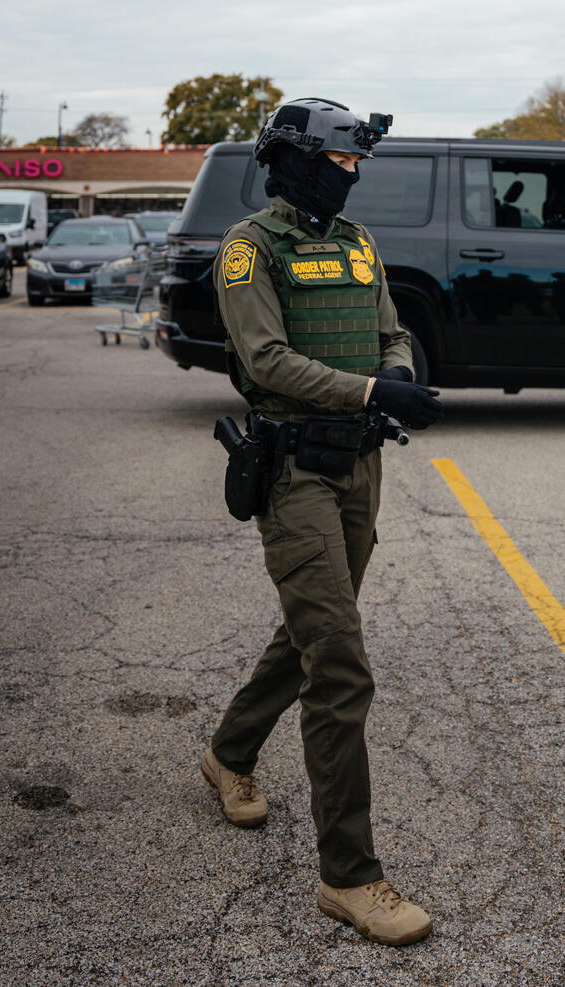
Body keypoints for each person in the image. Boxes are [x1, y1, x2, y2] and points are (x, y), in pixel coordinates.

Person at [200, 97, 445, 944]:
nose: (352, 177)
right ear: (299, 162)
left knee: (312, 628)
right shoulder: (250, 248)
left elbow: (392, 332)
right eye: (341, 163)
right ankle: (350, 874)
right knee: (338, 664)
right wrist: (377, 389)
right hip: (295, 470)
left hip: (360, 466)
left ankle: (228, 751)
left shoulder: (355, 243)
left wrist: (398, 370)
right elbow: (265, 359)